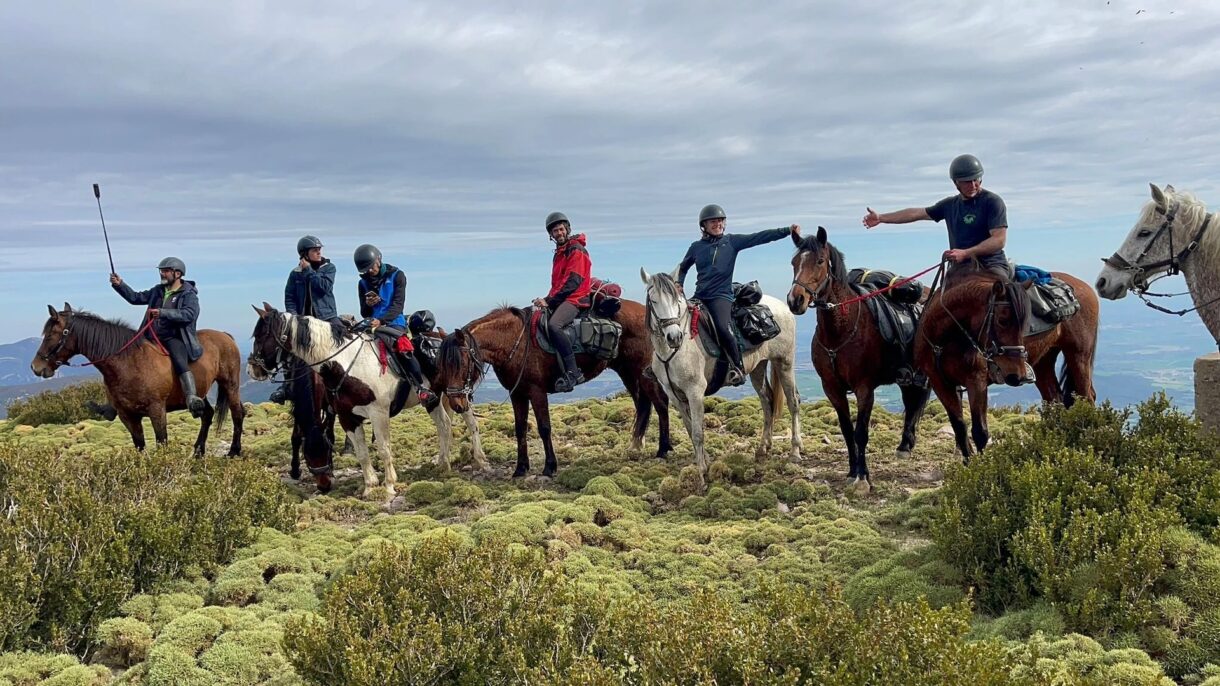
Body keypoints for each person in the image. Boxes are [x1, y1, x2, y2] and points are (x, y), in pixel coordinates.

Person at [677, 205, 800, 386]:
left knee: (723, 329)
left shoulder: (732, 242)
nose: (718, 224)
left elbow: (759, 237)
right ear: (704, 226)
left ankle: (737, 368)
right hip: (700, 296)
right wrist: (679, 283)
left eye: (720, 221)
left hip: (721, 297)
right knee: (676, 322)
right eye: (713, 222)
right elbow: (683, 267)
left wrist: (786, 230)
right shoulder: (696, 247)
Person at [862, 154, 1011, 285]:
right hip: (960, 268)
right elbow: (916, 213)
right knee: (939, 302)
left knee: (1002, 297)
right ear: (956, 182)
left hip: (991, 265)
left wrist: (966, 253)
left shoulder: (992, 202)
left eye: (975, 180)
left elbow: (999, 240)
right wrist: (881, 218)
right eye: (966, 181)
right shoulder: (949, 205)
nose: (973, 185)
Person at [110, 257, 206, 416]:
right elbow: (135, 298)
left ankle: (191, 397)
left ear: (177, 274)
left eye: (166, 271)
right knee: (124, 359)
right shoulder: (158, 290)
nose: (162, 273)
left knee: (180, 362)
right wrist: (120, 285)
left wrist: (163, 313)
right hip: (149, 336)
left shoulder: (188, 294)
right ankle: (114, 404)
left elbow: (189, 314)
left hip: (174, 337)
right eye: (161, 271)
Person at [353, 244, 438, 409]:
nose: (370, 271)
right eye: (366, 270)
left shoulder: (397, 276)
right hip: (371, 324)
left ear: (378, 260)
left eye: (371, 267)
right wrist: (368, 304)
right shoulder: (363, 283)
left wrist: (382, 321)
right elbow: (364, 312)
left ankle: (420, 387)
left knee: (403, 349)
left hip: (394, 323)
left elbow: (398, 305)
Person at [270, 235, 340, 404]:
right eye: (315, 250)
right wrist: (294, 317)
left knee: (342, 340)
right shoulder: (295, 274)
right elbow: (290, 297)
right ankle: (287, 387)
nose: (319, 252)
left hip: (326, 318)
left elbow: (324, 287)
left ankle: (345, 382)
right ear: (304, 254)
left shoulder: (329, 268)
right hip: (303, 322)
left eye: (319, 249)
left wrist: (308, 271)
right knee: (288, 347)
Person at [532, 211, 592, 393]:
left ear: (567, 229)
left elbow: (573, 281)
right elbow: (558, 283)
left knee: (554, 325)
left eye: (561, 229)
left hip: (576, 298)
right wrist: (545, 299)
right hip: (564, 297)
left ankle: (573, 372)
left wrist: (549, 301)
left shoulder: (576, 249)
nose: (558, 233)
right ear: (551, 235)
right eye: (555, 231)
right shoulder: (559, 253)